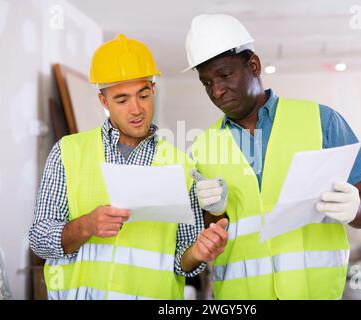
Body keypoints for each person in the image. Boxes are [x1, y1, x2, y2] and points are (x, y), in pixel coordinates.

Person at [184, 14, 361, 299]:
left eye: (225, 75)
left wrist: (355, 208)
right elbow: (212, 234)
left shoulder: (321, 121)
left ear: (253, 65)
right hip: (241, 296)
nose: (216, 90)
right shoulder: (202, 146)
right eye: (206, 83)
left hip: (313, 292)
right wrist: (214, 212)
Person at [29, 34, 228, 300]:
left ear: (153, 90)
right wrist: (85, 226)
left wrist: (198, 253)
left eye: (143, 95)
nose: (137, 109)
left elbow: (181, 262)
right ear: (103, 102)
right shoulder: (68, 152)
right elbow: (40, 240)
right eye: (122, 100)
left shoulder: (181, 165)